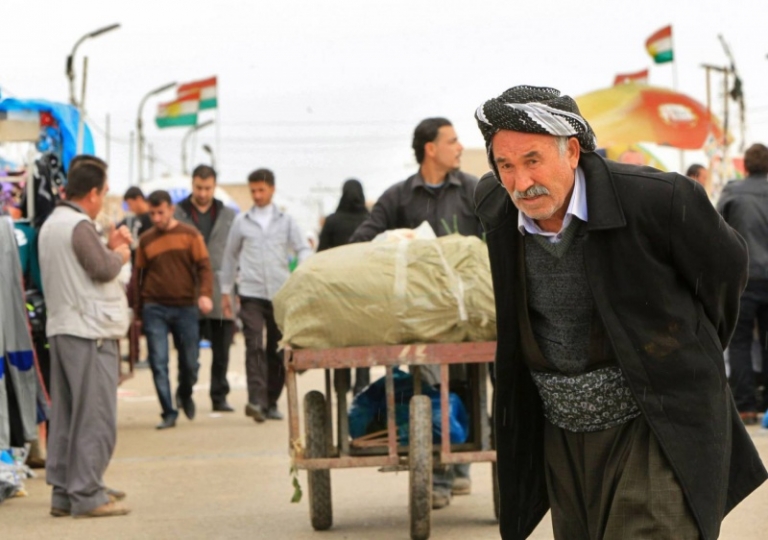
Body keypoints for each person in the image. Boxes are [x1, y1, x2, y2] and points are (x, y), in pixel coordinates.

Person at [473, 85, 767, 540]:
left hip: (654, 425)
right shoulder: (495, 206)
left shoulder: (658, 199)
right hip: (562, 433)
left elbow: (725, 275)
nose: (520, 182)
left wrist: (688, 353)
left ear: (572, 151)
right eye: (505, 165)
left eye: (533, 160)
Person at [350, 117, 480, 510]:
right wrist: (391, 242)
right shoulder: (399, 197)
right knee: (432, 391)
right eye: (452, 141)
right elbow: (364, 238)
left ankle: (462, 463)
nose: (460, 146)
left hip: (470, 315)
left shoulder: (473, 190)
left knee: (470, 388)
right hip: (422, 319)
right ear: (430, 148)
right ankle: (437, 477)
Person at [39, 155, 132, 518]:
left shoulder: (52, 223)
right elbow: (101, 268)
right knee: (94, 415)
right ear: (92, 193)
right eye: (104, 192)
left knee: (67, 415)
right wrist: (119, 253)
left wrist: (106, 245)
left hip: (64, 328)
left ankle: (65, 492)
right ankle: (89, 493)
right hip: (89, 331)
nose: (103, 199)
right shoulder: (78, 225)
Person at [220, 169, 311, 423]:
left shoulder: (286, 221)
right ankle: (256, 401)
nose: (257, 195)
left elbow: (303, 248)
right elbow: (230, 256)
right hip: (251, 293)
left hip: (280, 294)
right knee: (254, 345)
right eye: (253, 191)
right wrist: (226, 290)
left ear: (272, 189)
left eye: (261, 190)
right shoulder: (242, 222)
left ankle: (271, 401)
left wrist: (302, 272)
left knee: (276, 348)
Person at [134, 190, 214, 430]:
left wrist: (205, 294)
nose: (156, 218)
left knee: (190, 361)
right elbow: (139, 277)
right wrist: (137, 311)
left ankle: (185, 393)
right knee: (158, 361)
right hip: (154, 307)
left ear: (171, 209)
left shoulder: (190, 235)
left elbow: (204, 267)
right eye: (152, 214)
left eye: (160, 213)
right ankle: (168, 411)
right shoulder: (146, 240)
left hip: (185, 306)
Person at [175, 165, 237, 412]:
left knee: (222, 351)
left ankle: (219, 396)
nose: (202, 193)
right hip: (188, 292)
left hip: (221, 292)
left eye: (207, 188)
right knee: (188, 352)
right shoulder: (178, 213)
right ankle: (184, 393)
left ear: (214, 187)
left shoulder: (228, 215)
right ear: (192, 184)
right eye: (199, 188)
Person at [717, 144, 768, 425]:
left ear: (745, 166)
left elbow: (713, 231)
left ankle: (746, 407)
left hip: (743, 279)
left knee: (739, 343)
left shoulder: (732, 192)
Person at [317, 178, 370, 394]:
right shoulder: (369, 220)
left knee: (341, 339)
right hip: (366, 292)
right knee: (364, 338)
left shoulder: (332, 221)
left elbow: (321, 254)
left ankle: (341, 385)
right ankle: (362, 385)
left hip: (338, 291)